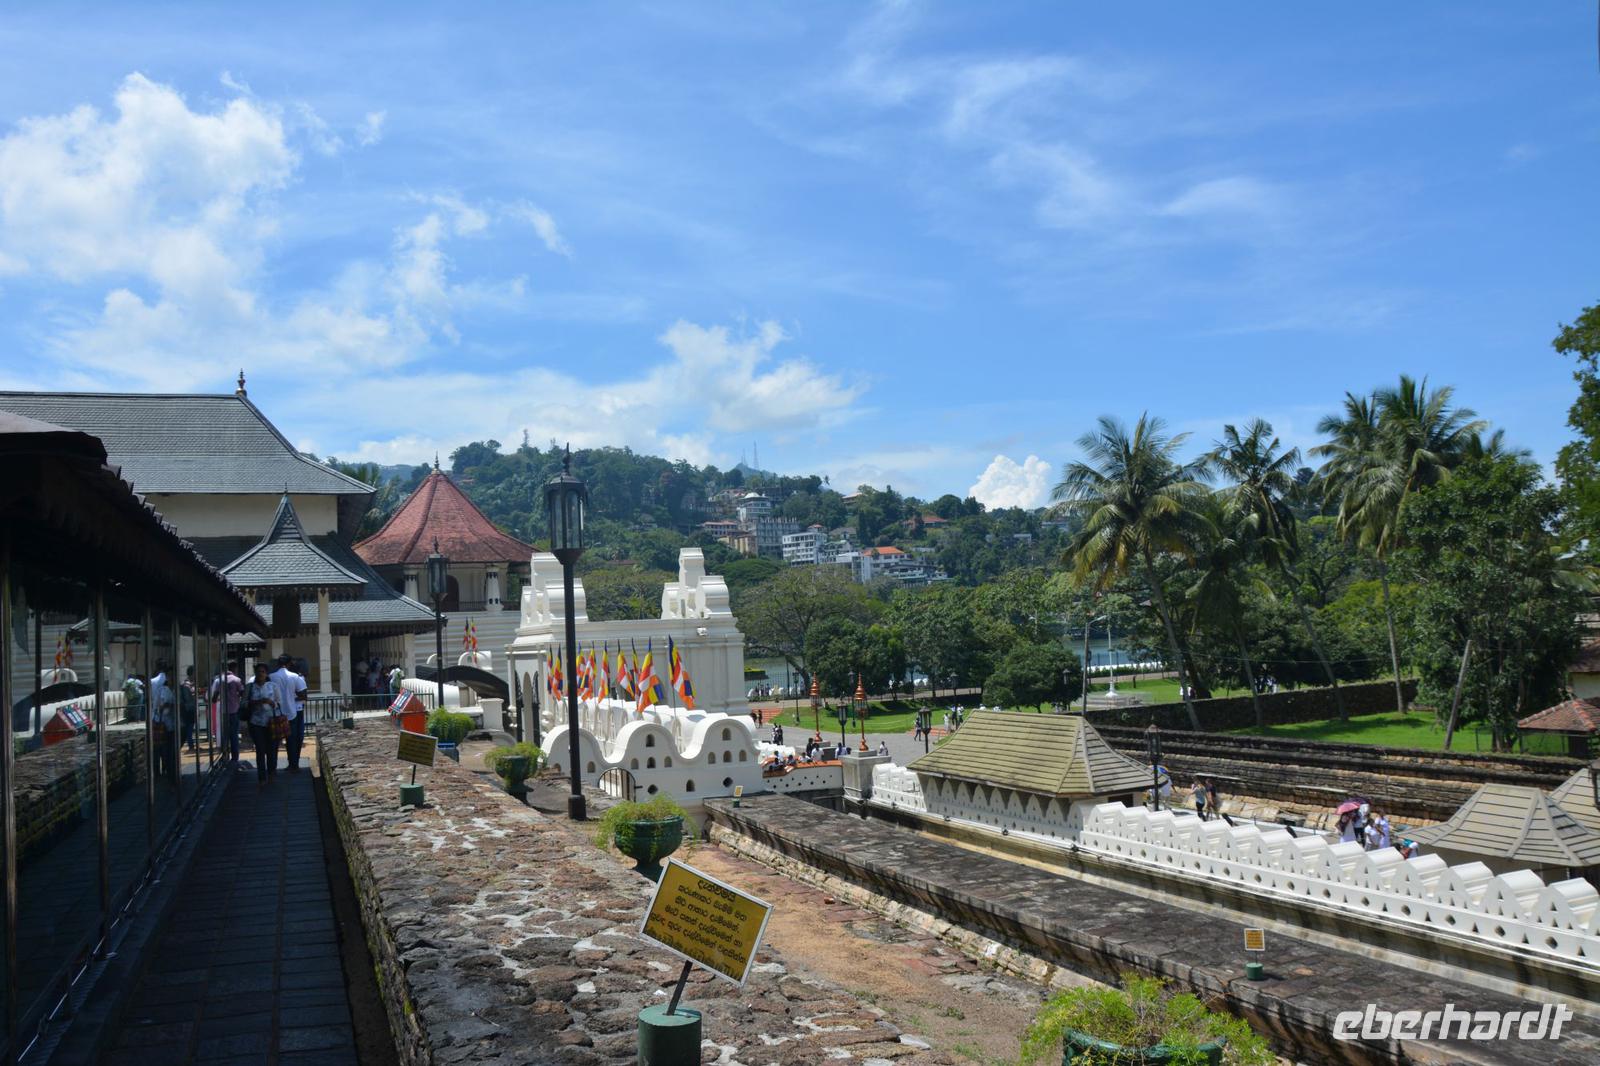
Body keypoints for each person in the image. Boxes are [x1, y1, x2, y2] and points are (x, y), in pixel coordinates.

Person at [270, 654, 308, 772]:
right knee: (291, 740)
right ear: (290, 663)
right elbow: (303, 695)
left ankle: (272, 766)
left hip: (275, 712)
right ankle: (293, 764)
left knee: (274, 741)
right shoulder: (295, 676)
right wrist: (291, 697)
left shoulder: (271, 677)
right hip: (291, 712)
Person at [246, 663, 281, 784]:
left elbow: (278, 702)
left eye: (263, 672)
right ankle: (261, 777)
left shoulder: (273, 686)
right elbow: (244, 703)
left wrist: (271, 702)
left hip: (271, 722)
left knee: (271, 749)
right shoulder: (250, 687)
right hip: (256, 722)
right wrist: (258, 702)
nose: (260, 674)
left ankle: (271, 772)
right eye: (258, 672)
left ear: (266, 674)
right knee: (260, 750)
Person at [209, 661, 244, 767]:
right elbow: (242, 693)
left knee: (225, 735)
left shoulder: (219, 680)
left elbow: (214, 698)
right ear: (234, 668)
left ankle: (225, 756)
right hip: (234, 710)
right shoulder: (237, 680)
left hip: (223, 712)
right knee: (234, 735)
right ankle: (235, 758)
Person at [150, 660, 176, 780]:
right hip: (165, 720)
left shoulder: (152, 682)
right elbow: (164, 705)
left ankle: (157, 772)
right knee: (166, 747)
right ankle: (167, 769)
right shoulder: (166, 686)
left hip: (155, 718)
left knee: (156, 747)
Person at [179, 666, 199, 752]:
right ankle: (190, 745)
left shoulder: (191, 683)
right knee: (189, 728)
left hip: (191, 709)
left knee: (190, 727)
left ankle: (191, 745)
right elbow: (188, 698)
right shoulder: (186, 685)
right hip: (188, 710)